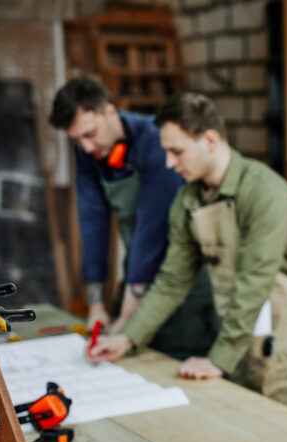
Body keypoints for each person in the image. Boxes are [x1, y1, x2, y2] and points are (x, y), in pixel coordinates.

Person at [89, 92, 287, 425]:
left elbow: (254, 282)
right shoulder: (187, 199)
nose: (169, 163)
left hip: (286, 348)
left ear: (209, 139)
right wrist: (128, 337)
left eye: (176, 151)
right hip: (236, 342)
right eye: (165, 152)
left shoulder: (265, 190)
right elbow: (172, 280)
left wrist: (218, 359)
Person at [49, 77, 217, 360]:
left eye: (90, 134)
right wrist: (97, 307)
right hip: (138, 274)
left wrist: (125, 321)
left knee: (171, 360)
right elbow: (93, 222)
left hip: (184, 279)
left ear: (110, 112)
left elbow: (151, 233)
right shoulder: (89, 152)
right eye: (77, 140)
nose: (86, 147)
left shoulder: (155, 140)